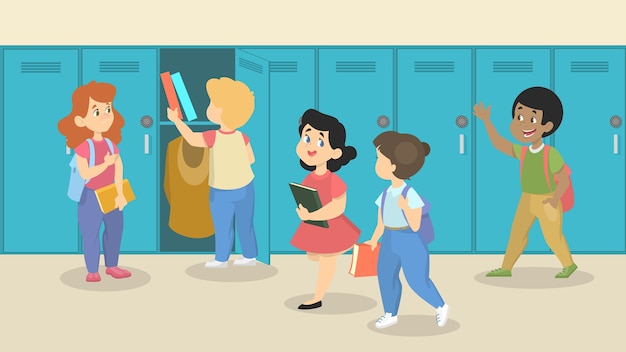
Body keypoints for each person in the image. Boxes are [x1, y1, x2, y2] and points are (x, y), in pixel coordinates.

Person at [474, 86, 577, 278]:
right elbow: (499, 143)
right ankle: (506, 267)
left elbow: (562, 179)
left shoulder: (551, 154)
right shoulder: (524, 152)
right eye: (519, 117)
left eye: (532, 119)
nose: (523, 124)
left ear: (547, 126)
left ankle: (569, 264)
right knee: (517, 234)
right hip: (527, 198)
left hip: (547, 199)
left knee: (553, 237)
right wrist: (487, 121)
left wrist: (555, 199)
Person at [167, 77, 258, 268]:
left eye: (212, 103)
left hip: (222, 190)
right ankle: (250, 256)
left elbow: (191, 138)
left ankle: (221, 259)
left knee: (223, 226)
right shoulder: (243, 137)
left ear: (224, 111)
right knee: (244, 224)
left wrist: (176, 120)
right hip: (246, 187)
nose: (209, 107)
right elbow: (251, 160)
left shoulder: (213, 136)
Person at [364, 131, 450, 329]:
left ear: (393, 166)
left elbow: (415, 225)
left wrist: (405, 206)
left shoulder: (409, 193)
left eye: (380, 159)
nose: (376, 163)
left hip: (410, 240)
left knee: (417, 280)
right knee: (385, 276)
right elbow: (380, 222)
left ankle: (441, 305)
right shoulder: (385, 193)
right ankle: (390, 313)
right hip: (389, 239)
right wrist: (373, 239)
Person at [58, 81, 131, 282]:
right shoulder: (83, 147)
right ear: (81, 120)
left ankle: (112, 266)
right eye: (97, 111)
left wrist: (121, 193)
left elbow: (119, 168)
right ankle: (92, 270)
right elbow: (85, 172)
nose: (106, 114)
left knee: (114, 231)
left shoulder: (111, 144)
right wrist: (105, 163)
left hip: (111, 194)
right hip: (90, 196)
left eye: (108, 109)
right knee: (90, 234)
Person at [290, 109, 360, 310]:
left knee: (326, 261)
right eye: (306, 138)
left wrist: (311, 215)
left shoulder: (333, 180)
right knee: (313, 256)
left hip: (333, 228)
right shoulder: (309, 177)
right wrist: (305, 210)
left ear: (335, 152)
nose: (311, 146)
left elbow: (338, 207)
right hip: (315, 225)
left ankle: (317, 297)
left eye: (320, 142)